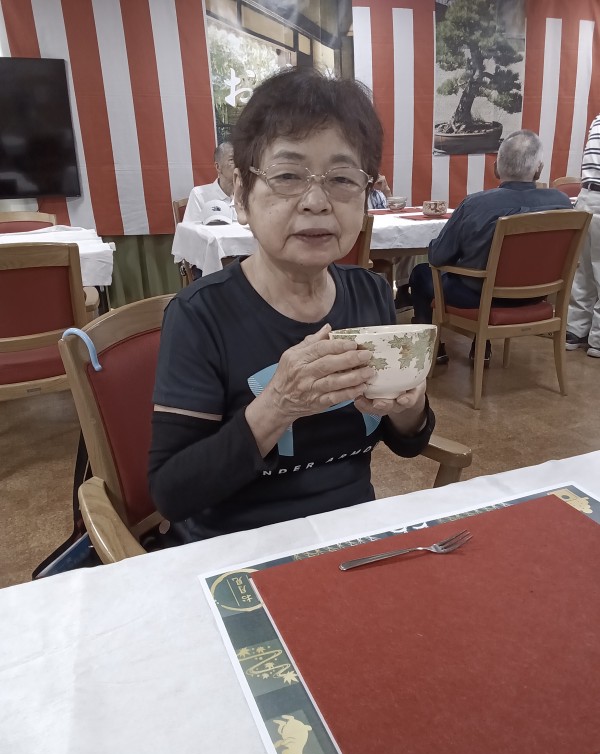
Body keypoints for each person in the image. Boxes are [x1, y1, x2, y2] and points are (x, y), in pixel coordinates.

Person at [149, 67, 435, 543]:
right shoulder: (200, 315)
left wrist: (408, 403)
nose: (317, 201)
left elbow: (408, 443)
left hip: (351, 540)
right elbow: (172, 494)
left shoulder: (369, 293)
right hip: (239, 550)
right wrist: (279, 405)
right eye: (287, 176)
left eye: (341, 178)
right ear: (242, 196)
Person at [409, 130, 572, 364]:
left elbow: (438, 256)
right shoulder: (562, 203)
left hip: (478, 299)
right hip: (536, 297)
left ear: (496, 168)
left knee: (421, 273)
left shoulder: (475, 204)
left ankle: (432, 350)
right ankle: (480, 347)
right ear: (539, 169)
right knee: (483, 274)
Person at [566, 113, 600, 359]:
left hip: (586, 197)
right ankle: (597, 340)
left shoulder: (597, 120)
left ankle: (574, 332)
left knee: (583, 271)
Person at [183, 141, 235, 223]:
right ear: (218, 167)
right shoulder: (199, 195)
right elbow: (190, 228)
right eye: (232, 159)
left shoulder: (249, 195)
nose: (239, 164)